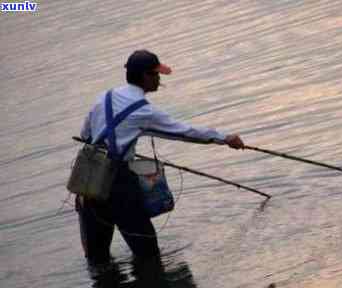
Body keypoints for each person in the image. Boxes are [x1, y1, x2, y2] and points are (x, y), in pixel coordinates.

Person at [76, 49, 245, 265]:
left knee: (97, 260)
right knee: (148, 255)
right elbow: (183, 132)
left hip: (89, 182)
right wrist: (224, 138)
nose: (159, 79)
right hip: (119, 186)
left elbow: (85, 135)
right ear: (145, 76)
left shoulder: (103, 97)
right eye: (156, 74)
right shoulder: (144, 111)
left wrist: (117, 142)